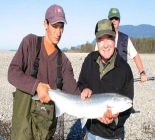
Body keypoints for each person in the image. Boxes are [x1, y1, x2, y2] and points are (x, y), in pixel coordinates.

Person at [8, 4, 80, 140]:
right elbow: (12, 72)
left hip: (44, 132)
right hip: (21, 129)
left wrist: (90, 96)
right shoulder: (30, 43)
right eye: (55, 26)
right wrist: (36, 86)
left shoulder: (64, 62)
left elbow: (75, 93)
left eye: (61, 27)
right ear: (45, 24)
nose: (59, 32)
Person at [78, 19, 134, 140]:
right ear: (96, 42)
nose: (106, 44)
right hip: (91, 131)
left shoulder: (125, 69)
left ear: (115, 38)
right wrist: (84, 88)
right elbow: (81, 83)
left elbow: (128, 106)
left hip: (112, 136)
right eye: (101, 39)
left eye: (109, 38)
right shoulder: (89, 60)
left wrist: (114, 120)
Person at [95, 8, 147, 82]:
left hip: (122, 80)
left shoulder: (125, 39)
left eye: (116, 18)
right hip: (105, 80)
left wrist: (142, 72)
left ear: (119, 21)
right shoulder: (101, 39)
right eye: (111, 18)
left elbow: (135, 56)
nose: (113, 20)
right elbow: (95, 60)